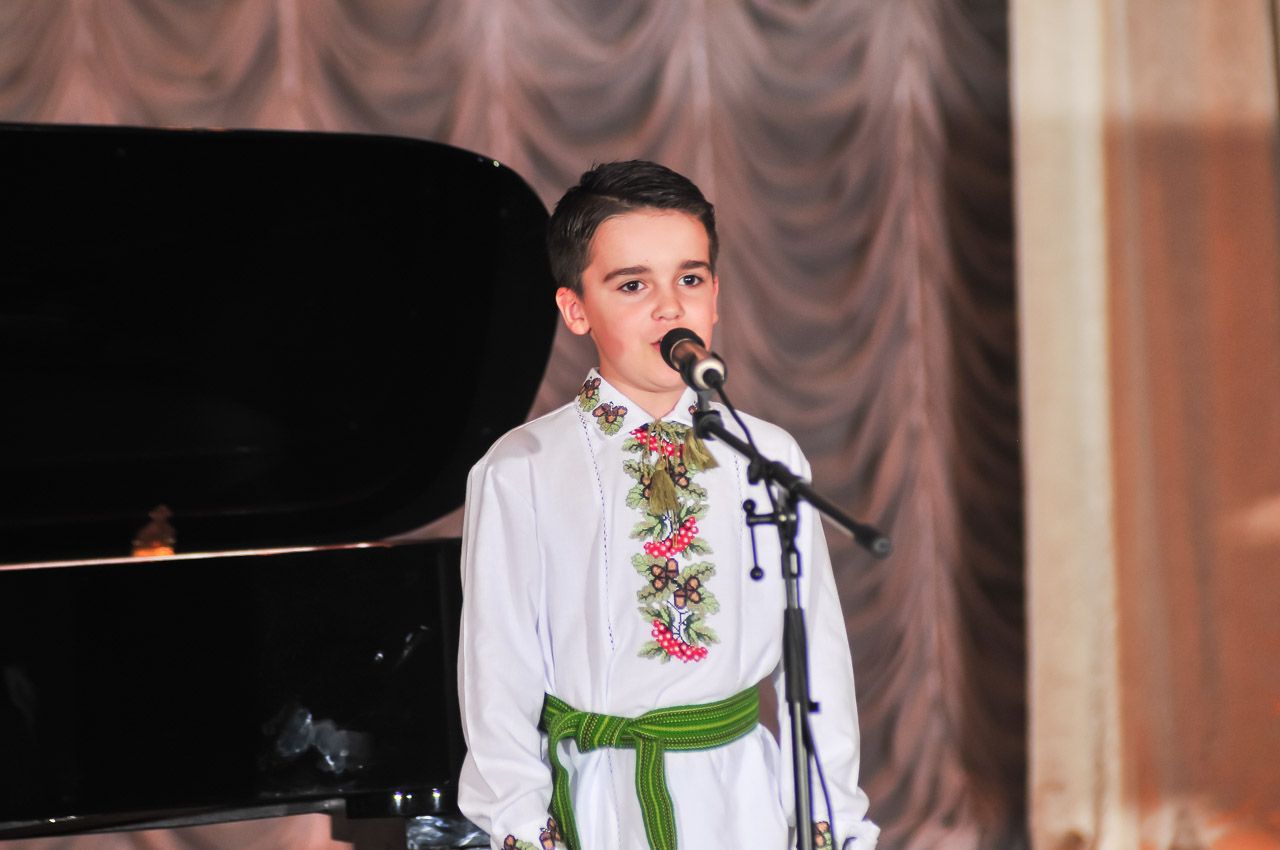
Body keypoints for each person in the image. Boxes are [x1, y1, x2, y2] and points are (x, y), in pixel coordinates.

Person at [457, 160, 878, 850]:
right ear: (575, 308)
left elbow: (817, 664)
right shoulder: (522, 468)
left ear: (715, 295)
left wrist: (828, 821)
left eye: (690, 279)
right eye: (632, 285)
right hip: (598, 803)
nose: (670, 309)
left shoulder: (766, 455)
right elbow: (497, 672)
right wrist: (529, 828)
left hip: (742, 801)